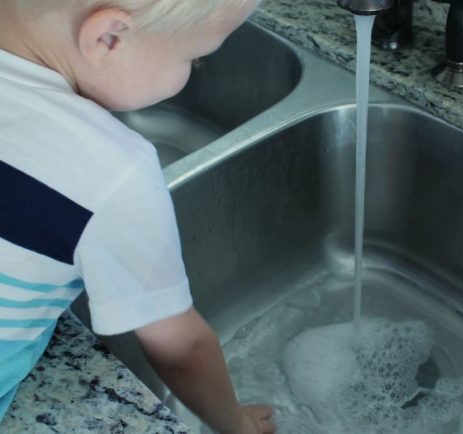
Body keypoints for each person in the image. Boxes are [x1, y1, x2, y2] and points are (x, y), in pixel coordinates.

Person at [0, 1, 276, 433]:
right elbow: (182, 347)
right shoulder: (112, 172)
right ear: (109, 39)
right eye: (195, 58)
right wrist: (237, 425)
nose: (193, 72)